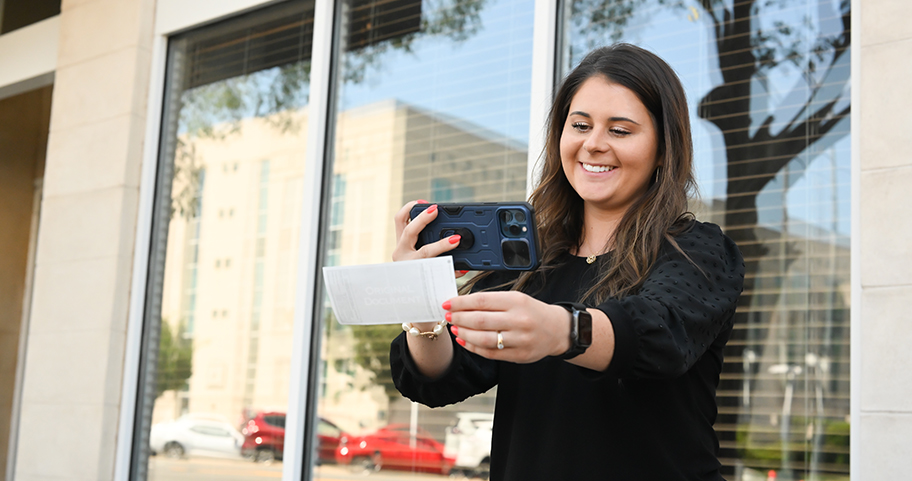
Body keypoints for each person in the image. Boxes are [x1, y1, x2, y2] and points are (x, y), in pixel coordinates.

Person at [388, 44, 744, 480]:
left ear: (664, 149)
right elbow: (442, 377)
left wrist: (560, 330)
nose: (593, 145)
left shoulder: (698, 251)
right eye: (580, 125)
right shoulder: (527, 263)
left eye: (621, 130)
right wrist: (422, 301)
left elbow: (659, 332)